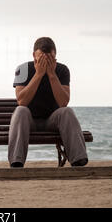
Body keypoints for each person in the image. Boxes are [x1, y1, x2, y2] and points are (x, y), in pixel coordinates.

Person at [8, 37, 88, 168]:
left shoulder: (62, 70)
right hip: (29, 121)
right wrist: (38, 74)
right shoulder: (22, 69)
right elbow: (22, 101)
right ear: (34, 55)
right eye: (41, 57)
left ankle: (78, 159)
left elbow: (63, 102)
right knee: (21, 110)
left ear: (55, 56)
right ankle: (16, 162)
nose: (45, 61)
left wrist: (51, 74)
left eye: (49, 58)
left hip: (52, 121)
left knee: (67, 111)